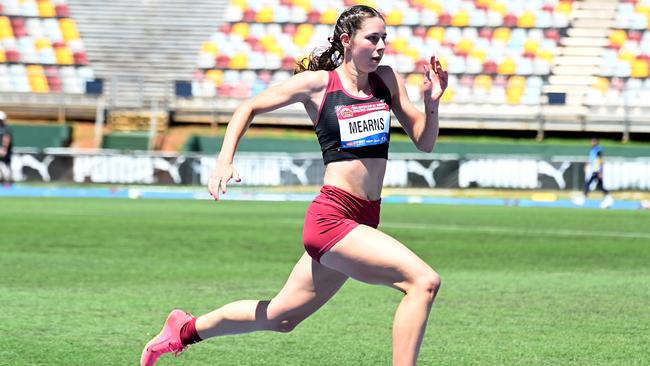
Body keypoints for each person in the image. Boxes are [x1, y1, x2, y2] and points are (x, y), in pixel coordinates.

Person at [140, 5, 448, 366]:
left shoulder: (387, 80)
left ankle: (184, 330)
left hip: (365, 219)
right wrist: (224, 159)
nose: (380, 47)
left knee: (281, 317)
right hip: (332, 219)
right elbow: (248, 107)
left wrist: (431, 104)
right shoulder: (319, 85)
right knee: (423, 282)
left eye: (384, 39)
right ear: (347, 41)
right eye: (372, 38)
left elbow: (424, 141)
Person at [574, 137, 614, 208]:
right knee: (599, 185)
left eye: (593, 141)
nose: (591, 143)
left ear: (596, 142)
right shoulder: (593, 150)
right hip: (594, 170)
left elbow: (601, 161)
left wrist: (600, 171)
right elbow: (592, 159)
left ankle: (583, 198)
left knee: (588, 183)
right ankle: (608, 198)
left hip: (596, 171)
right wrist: (587, 164)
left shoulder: (598, 150)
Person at [0, 110, 12, 184]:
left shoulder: (5, 129)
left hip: (3, 152)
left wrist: (4, 148)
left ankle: (5, 181)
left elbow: (6, 138)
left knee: (4, 167)